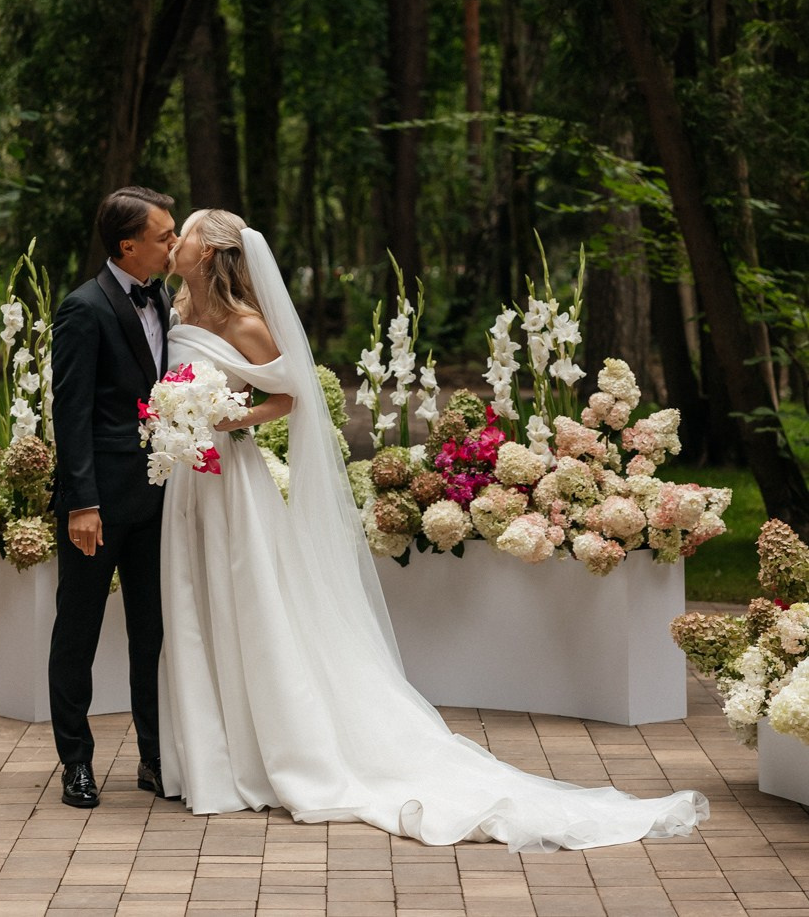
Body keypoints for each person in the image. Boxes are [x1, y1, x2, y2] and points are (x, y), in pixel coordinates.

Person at [158, 208, 711, 850]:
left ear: (214, 251)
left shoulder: (245, 322)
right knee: (196, 605)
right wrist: (173, 419)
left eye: (188, 230)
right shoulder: (179, 314)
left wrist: (228, 418)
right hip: (186, 481)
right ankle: (212, 754)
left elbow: (290, 395)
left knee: (244, 600)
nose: (177, 240)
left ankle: (272, 754)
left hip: (233, 482)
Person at [49, 186, 177, 808]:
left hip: (159, 500)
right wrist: (81, 503)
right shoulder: (83, 308)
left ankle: (155, 758)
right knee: (79, 630)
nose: (174, 245)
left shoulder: (169, 299)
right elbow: (70, 415)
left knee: (152, 631)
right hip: (97, 505)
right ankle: (75, 761)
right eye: (164, 236)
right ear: (129, 245)